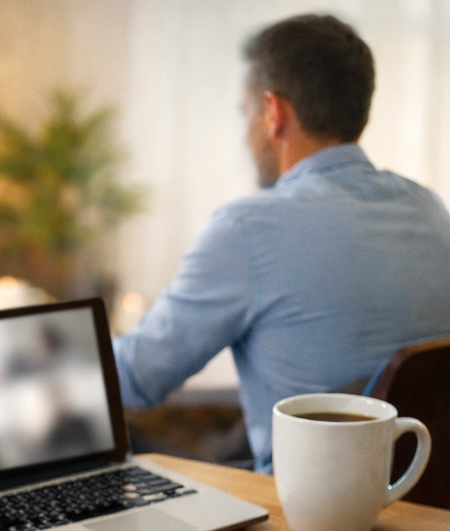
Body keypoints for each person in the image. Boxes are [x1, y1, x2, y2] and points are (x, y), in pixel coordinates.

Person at [112, 13, 450, 473]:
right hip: (422, 508)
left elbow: (135, 379)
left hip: (303, 518)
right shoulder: (432, 212)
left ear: (273, 112)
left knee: (131, 440)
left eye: (245, 111)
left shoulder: (246, 229)